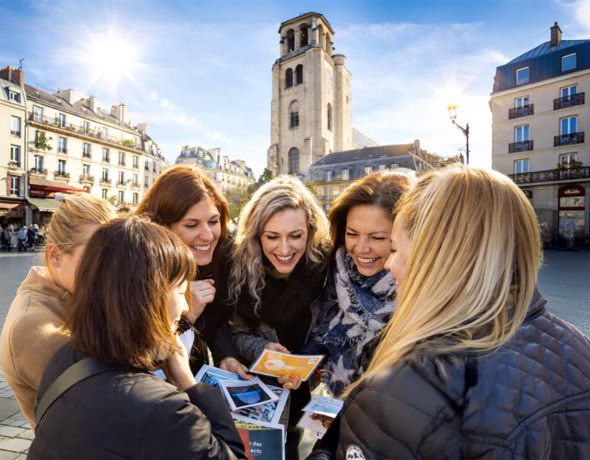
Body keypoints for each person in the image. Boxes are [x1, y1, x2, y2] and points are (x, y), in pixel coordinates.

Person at [311, 166, 590, 459]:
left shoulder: (416, 377)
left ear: (438, 255)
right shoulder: (577, 347)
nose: (390, 264)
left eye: (395, 248)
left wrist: (325, 450)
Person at [29, 217, 247, 459]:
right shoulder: (163, 409)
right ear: (148, 297)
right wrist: (188, 384)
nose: (186, 306)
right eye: (180, 291)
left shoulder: (64, 359)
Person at [228, 175, 331, 459]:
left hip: (307, 396)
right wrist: (263, 350)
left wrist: (306, 365)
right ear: (256, 235)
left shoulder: (327, 269)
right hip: (256, 399)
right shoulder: (240, 269)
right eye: (272, 237)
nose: (284, 250)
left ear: (310, 231)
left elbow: (332, 332)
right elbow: (234, 333)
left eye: (295, 236)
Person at [0, 193, 116, 427]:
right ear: (55, 256)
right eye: (95, 256)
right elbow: (114, 401)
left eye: (114, 255)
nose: (110, 268)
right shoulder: (34, 325)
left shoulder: (76, 292)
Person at [303, 170, 414, 397]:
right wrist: (299, 364)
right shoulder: (336, 269)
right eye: (352, 234)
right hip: (333, 400)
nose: (361, 248)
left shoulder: (417, 291)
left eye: (377, 238)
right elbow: (323, 336)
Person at [135, 165, 245, 376]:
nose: (208, 235)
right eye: (192, 225)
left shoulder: (219, 255)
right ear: (162, 227)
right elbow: (141, 361)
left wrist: (226, 356)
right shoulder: (134, 271)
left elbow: (215, 321)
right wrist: (187, 315)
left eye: (213, 221)